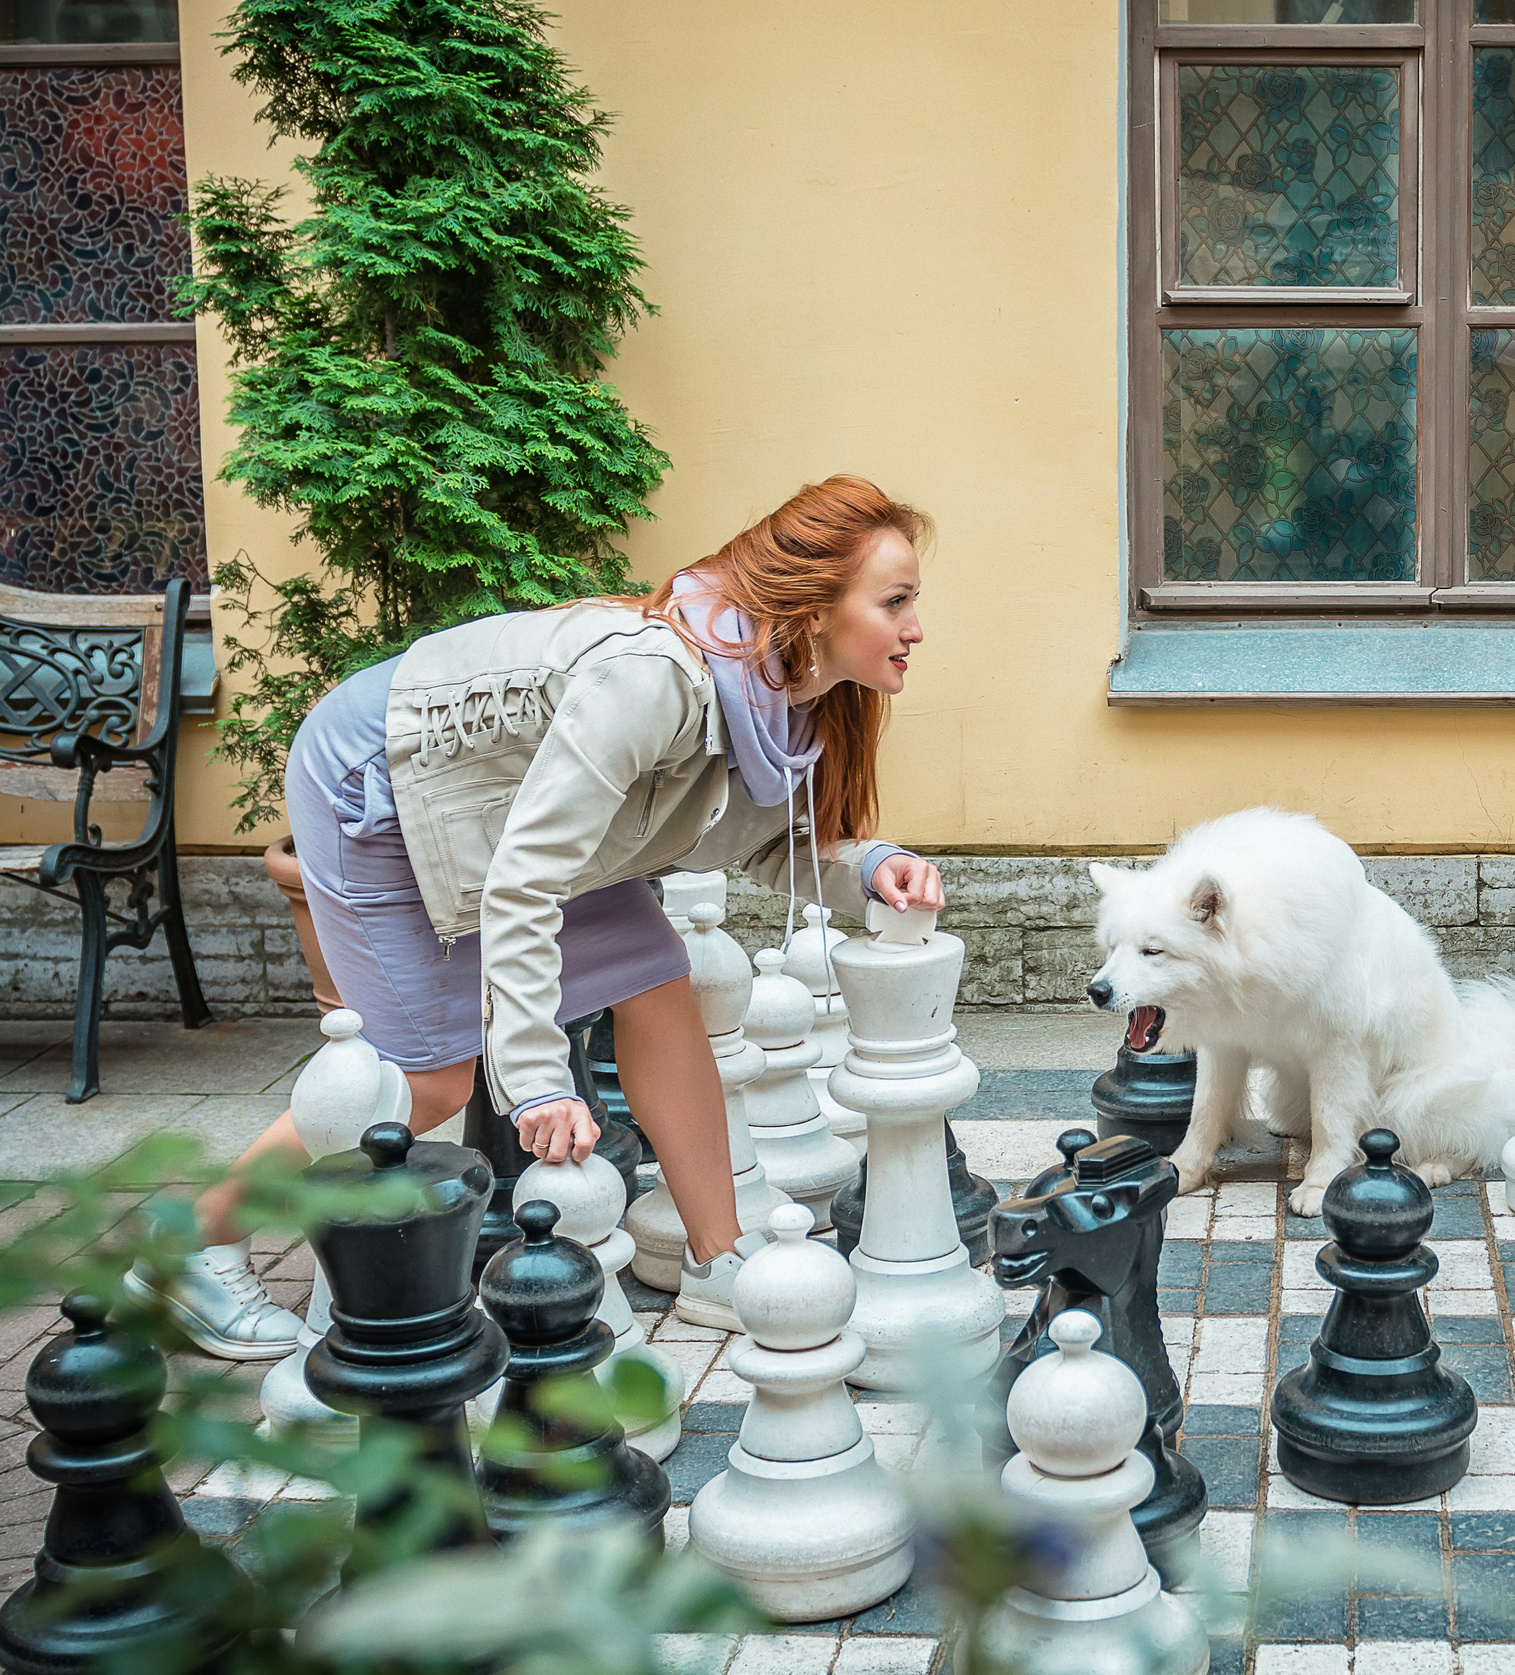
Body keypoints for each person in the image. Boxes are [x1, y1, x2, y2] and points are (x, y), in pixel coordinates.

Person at [136, 476, 947, 1354]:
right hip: (385, 784)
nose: (916, 627)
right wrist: (538, 1081)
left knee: (656, 979)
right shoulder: (655, 681)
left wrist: (871, 865)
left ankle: (722, 1255)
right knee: (432, 1079)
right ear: (814, 609)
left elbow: (763, 841)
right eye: (895, 601)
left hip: (513, 819)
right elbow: (523, 882)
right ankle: (190, 1246)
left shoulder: (786, 704)